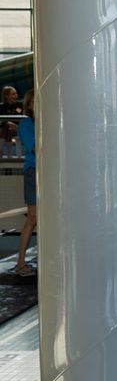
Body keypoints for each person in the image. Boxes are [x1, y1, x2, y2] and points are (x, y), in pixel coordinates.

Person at [11, 89, 36, 277]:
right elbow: (35, 149)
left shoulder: (46, 123)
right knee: (33, 218)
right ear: (29, 105)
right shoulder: (27, 125)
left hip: (46, 173)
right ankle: (20, 263)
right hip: (33, 172)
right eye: (36, 102)